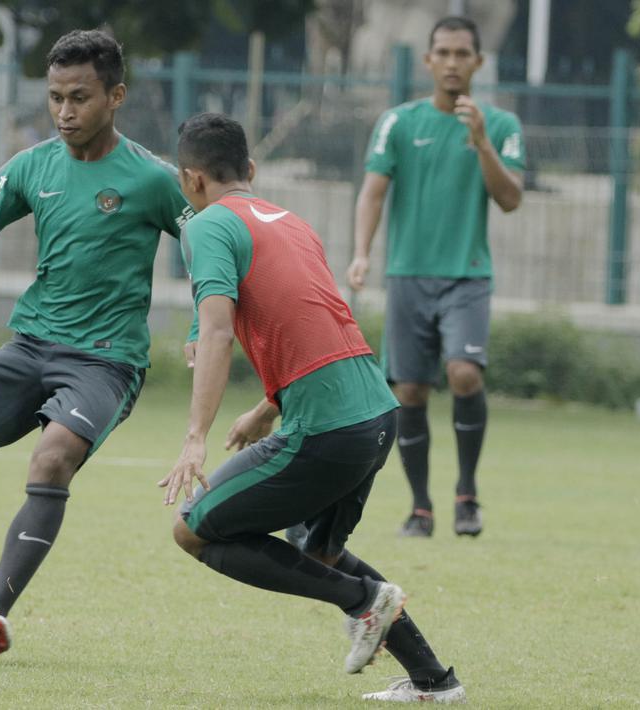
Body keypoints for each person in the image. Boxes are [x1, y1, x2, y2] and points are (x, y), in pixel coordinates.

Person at [0, 29, 194, 665]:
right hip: (31, 345)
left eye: (79, 98)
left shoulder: (152, 179)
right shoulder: (31, 166)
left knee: (52, 458)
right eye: (55, 97)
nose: (64, 112)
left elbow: (209, 251)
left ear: (115, 96)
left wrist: (202, 326)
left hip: (107, 361)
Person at [163, 112, 466, 703]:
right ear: (250, 170)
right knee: (318, 551)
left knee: (192, 530)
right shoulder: (292, 223)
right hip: (377, 415)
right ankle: (433, 681)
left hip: (327, 429)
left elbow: (218, 331)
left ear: (190, 180)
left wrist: (195, 434)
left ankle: (362, 603)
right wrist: (268, 407)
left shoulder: (207, 227)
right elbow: (310, 326)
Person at [349, 16, 524, 537]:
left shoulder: (502, 125)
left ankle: (466, 495)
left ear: (478, 62)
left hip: (466, 277)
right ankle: (420, 508)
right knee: (409, 392)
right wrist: (362, 253)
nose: (452, 63)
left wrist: (482, 142)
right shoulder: (398, 123)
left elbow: (511, 199)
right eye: (442, 53)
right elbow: (373, 190)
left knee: (464, 374)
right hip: (407, 276)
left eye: (461, 54)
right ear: (428, 61)